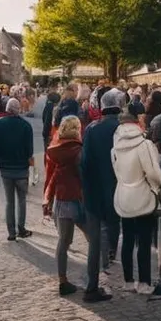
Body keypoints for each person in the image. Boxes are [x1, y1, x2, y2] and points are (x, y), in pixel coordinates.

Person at [112, 103, 161, 299]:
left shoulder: (115, 146)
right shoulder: (143, 145)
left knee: (128, 239)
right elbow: (154, 173)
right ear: (136, 122)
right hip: (143, 196)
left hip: (123, 195)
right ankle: (145, 283)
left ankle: (128, 281)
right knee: (145, 240)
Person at [79, 94, 120, 303]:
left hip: (94, 192)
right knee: (126, 234)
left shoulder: (92, 129)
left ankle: (91, 286)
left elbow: (84, 164)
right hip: (121, 191)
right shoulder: (123, 129)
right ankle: (138, 280)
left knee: (94, 242)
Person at [44, 116, 91, 296]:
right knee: (93, 237)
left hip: (61, 199)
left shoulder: (54, 150)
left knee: (63, 241)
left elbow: (55, 175)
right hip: (78, 198)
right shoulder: (77, 150)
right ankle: (95, 276)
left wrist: (48, 198)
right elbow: (83, 176)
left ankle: (62, 280)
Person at [0, 98, 34, 241]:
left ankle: (11, 232)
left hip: (5, 169)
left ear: (7, 109)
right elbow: (30, 150)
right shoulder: (26, 126)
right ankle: (21, 228)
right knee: (22, 200)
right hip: (21, 169)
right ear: (18, 109)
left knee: (9, 202)